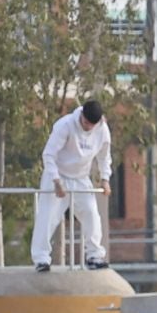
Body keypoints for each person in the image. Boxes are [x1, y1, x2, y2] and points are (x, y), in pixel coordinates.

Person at [31, 99, 112, 273]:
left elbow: (104, 157)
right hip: (57, 175)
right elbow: (49, 154)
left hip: (81, 178)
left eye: (91, 125)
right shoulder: (65, 125)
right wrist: (56, 181)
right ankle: (41, 259)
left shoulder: (102, 130)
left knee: (91, 214)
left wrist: (105, 179)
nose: (88, 127)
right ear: (81, 115)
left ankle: (94, 256)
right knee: (47, 216)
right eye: (85, 123)